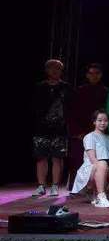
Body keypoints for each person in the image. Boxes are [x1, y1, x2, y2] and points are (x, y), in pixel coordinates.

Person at [32, 59, 74, 197]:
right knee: (41, 157)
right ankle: (41, 186)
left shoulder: (66, 87)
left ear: (62, 71)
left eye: (58, 68)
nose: (55, 70)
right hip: (41, 128)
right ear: (46, 70)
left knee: (57, 158)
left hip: (60, 128)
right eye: (51, 67)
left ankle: (55, 186)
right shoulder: (39, 87)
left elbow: (71, 108)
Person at [70, 110, 109, 207]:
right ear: (94, 122)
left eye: (105, 120)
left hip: (104, 170)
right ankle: (100, 196)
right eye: (100, 120)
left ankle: (97, 195)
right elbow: (93, 160)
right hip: (90, 170)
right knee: (102, 163)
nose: (103, 123)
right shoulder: (89, 137)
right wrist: (108, 173)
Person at [66, 63, 108, 189]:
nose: (94, 76)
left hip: (99, 132)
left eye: (97, 73)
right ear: (87, 75)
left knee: (99, 160)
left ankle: (96, 187)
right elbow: (71, 113)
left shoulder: (106, 92)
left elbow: (107, 113)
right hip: (81, 133)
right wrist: (77, 132)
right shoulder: (79, 91)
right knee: (78, 160)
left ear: (101, 75)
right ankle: (75, 188)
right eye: (91, 73)